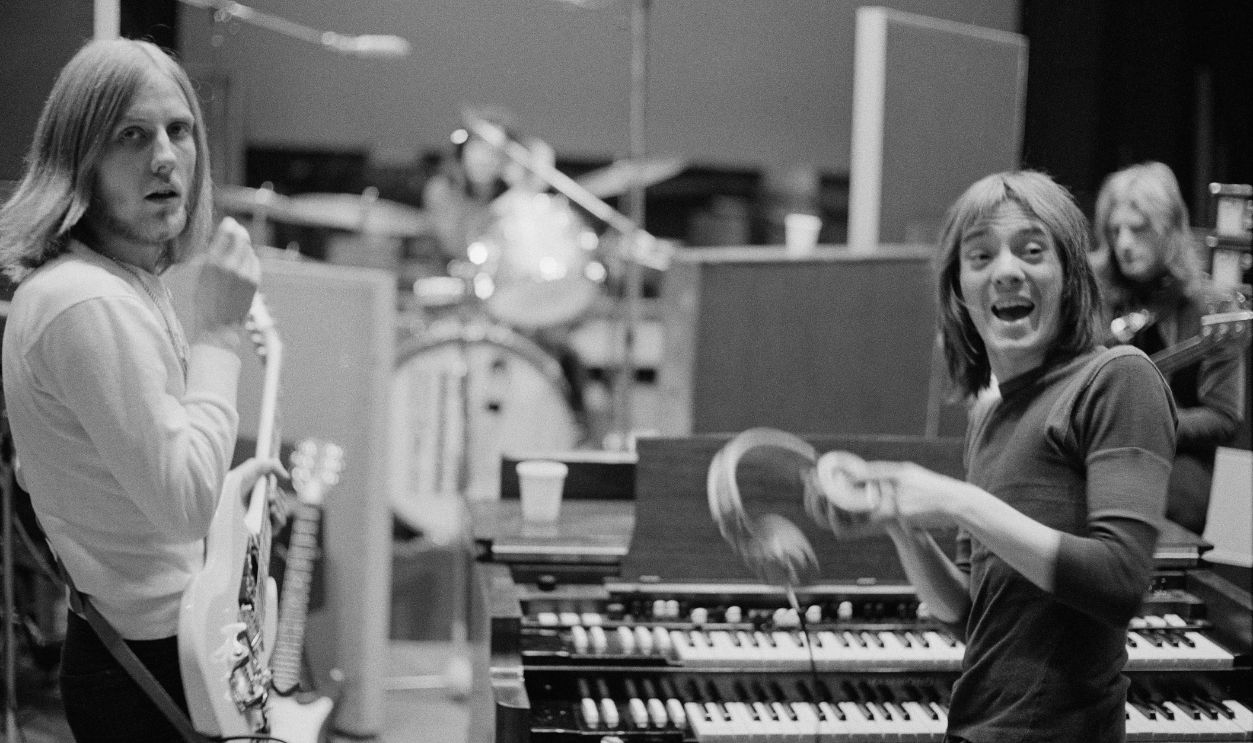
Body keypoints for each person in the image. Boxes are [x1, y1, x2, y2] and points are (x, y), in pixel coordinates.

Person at [820, 171, 1177, 742]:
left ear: (1068, 274)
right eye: (980, 255)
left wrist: (957, 501)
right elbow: (969, 615)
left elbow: (1120, 583)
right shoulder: (988, 419)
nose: (1007, 269)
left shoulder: (1118, 378)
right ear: (960, 290)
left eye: (1032, 250)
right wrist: (902, 527)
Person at [0, 39, 283, 742]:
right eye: (132, 135)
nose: (165, 156)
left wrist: (225, 491)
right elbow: (180, 502)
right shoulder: (84, 301)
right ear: (80, 158)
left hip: (167, 643)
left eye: (178, 130)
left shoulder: (120, 283)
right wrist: (217, 334)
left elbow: (145, 490)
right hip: (149, 662)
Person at [1092, 161, 1246, 535]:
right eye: (1115, 231)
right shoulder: (1096, 298)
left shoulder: (1214, 307)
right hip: (1099, 455)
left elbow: (1224, 416)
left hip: (1177, 465)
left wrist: (1146, 428)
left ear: (1169, 229)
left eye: (1138, 229)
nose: (1124, 244)